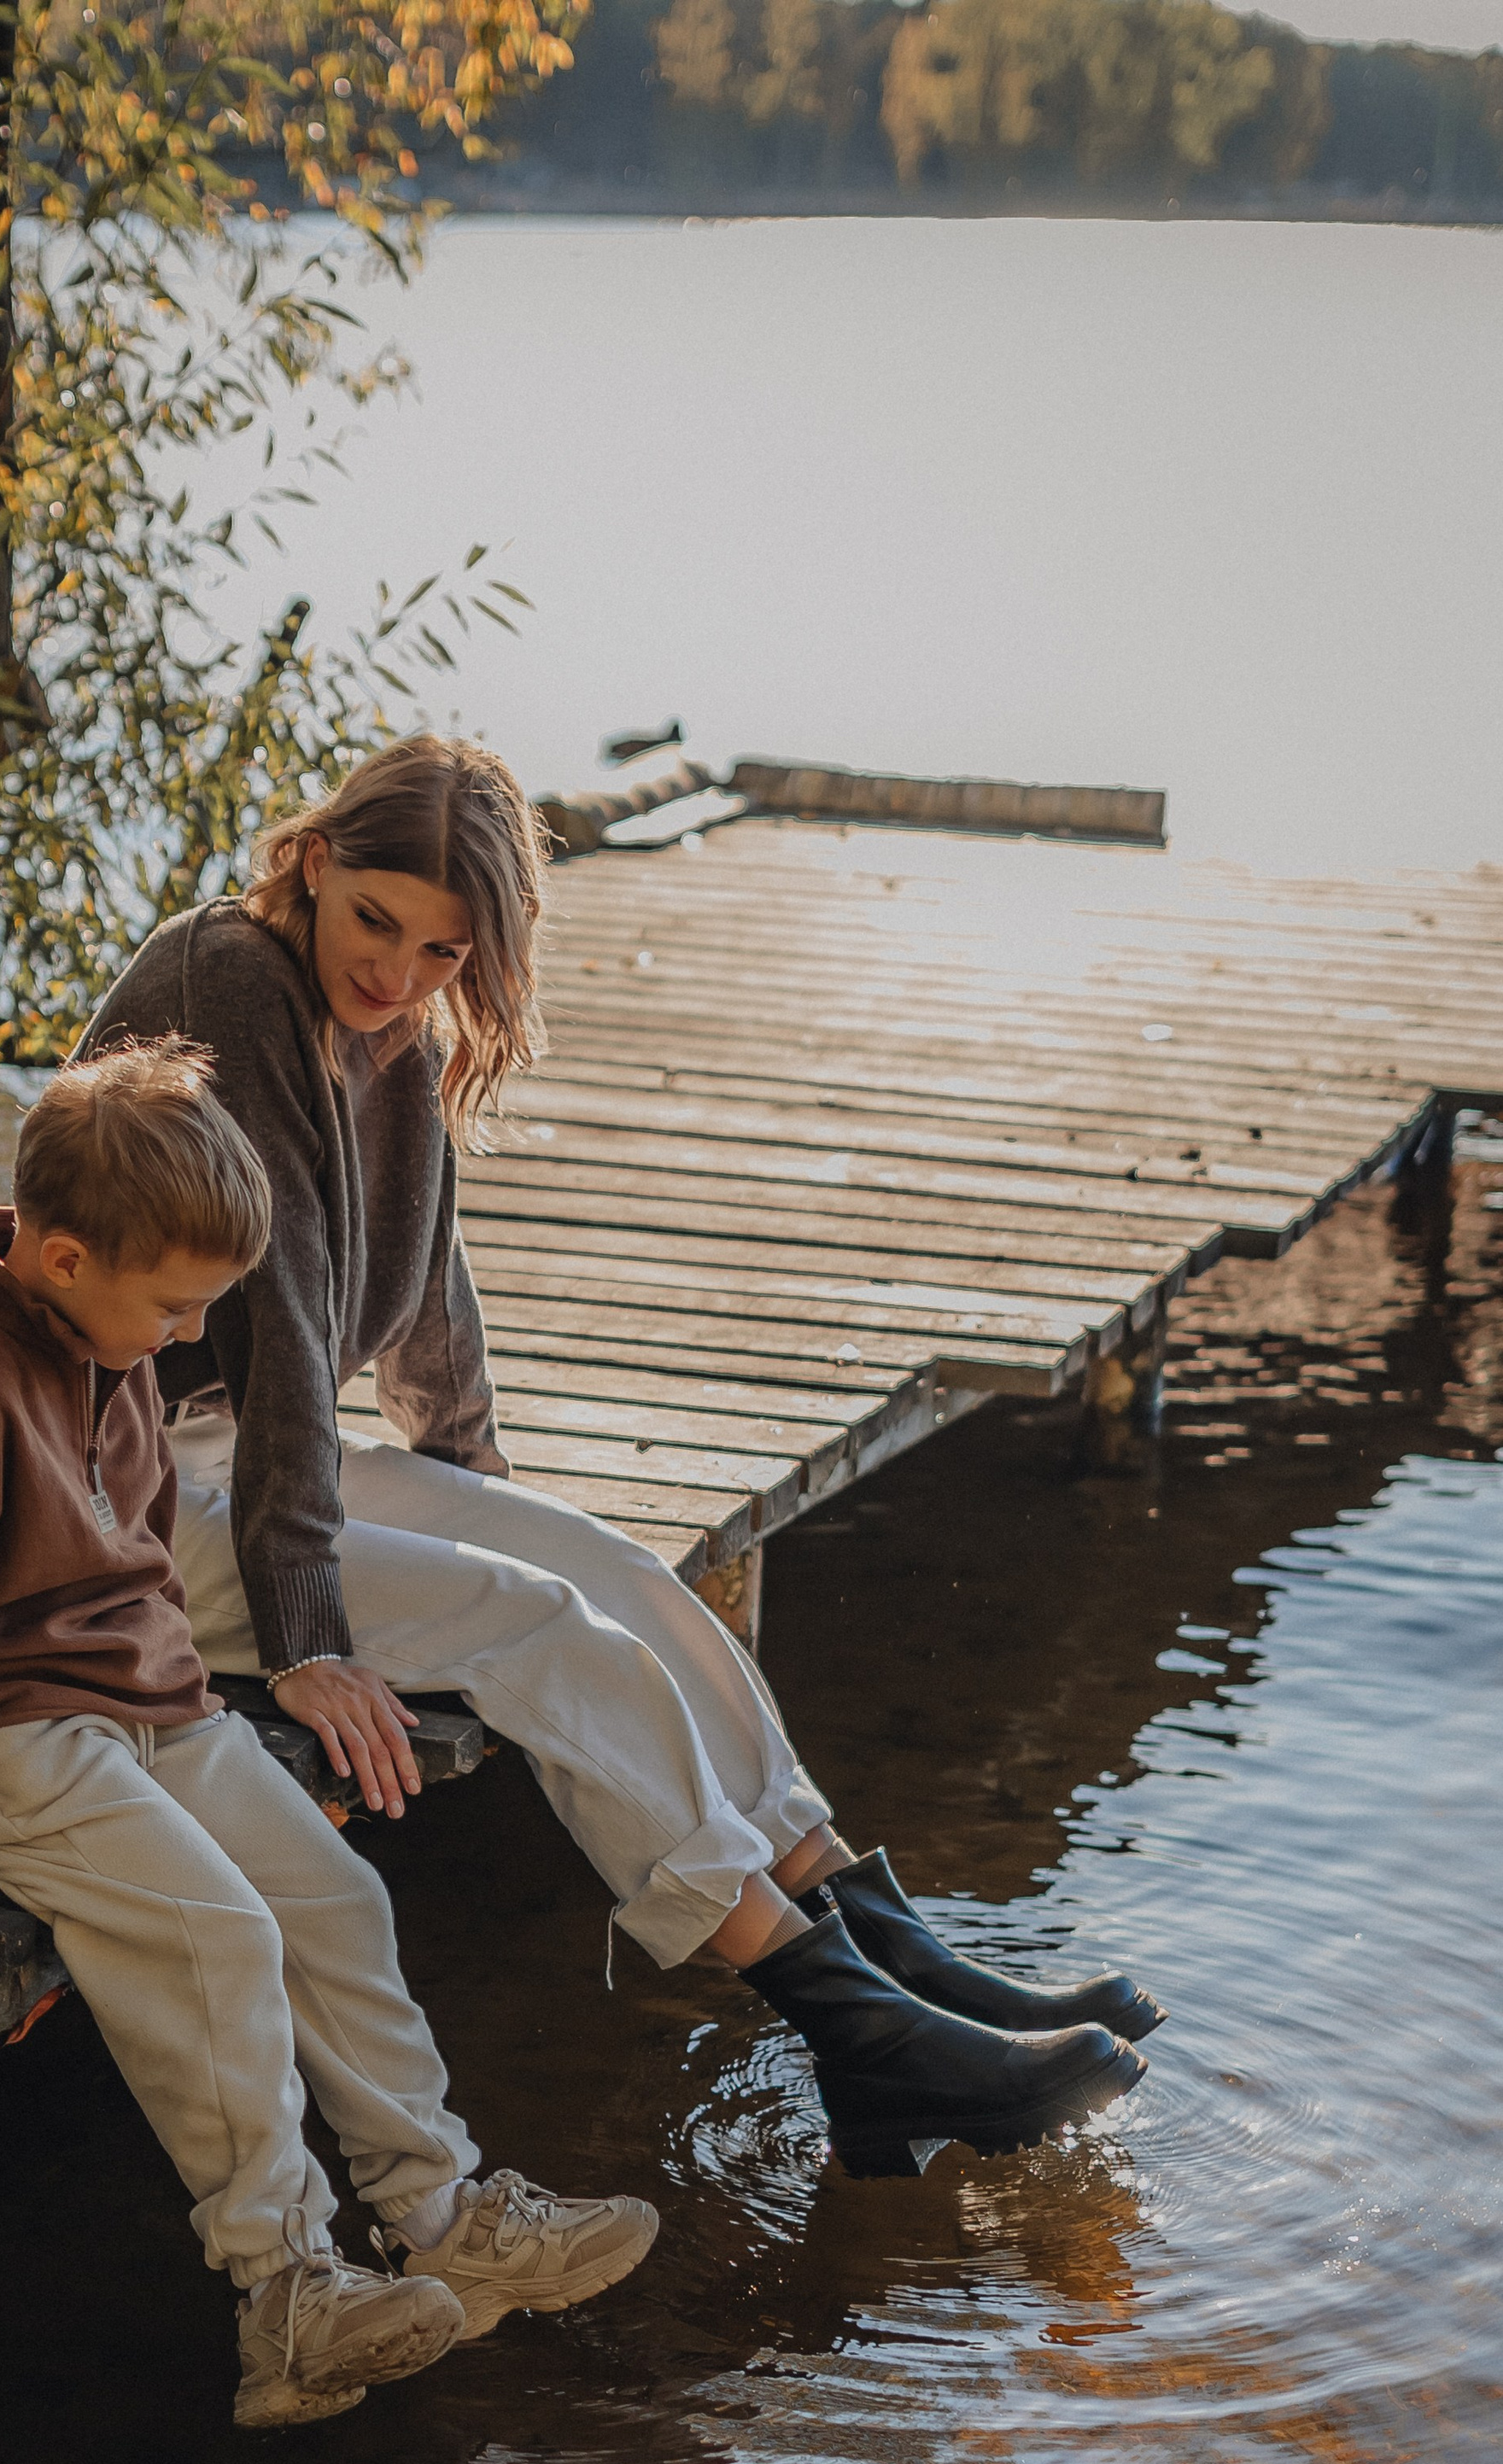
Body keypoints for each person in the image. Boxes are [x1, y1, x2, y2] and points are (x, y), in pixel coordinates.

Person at [77, 737, 1159, 2179]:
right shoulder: (231, 979)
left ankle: (885, 1951)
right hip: (108, 1495)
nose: (398, 972)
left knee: (616, 1578)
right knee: (530, 1624)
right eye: (377, 921)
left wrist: (473, 1488)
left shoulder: (393, 1027)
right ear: (317, 862)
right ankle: (857, 2034)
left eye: (442, 950)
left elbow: (428, 1283)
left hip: (244, 1452)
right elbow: (280, 1307)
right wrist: (308, 1635)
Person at [0, 1044, 658, 2426]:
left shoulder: (106, 1345)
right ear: (64, 1260)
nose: (187, 1332)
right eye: (175, 1305)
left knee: (331, 1896)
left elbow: (137, 1556)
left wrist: (186, 1699)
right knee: (217, 1933)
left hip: (146, 1705)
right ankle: (285, 2293)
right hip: (0, 1734)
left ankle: (441, 2216)